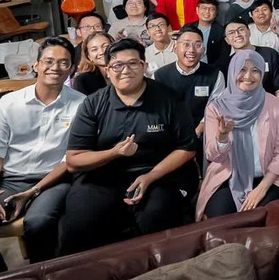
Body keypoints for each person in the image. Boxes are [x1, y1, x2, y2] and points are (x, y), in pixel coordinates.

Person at [0, 37, 84, 278]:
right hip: (9, 180)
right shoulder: (10, 103)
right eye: (49, 61)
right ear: (36, 65)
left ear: (71, 68)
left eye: (64, 63)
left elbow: (69, 159)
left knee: (39, 223)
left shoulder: (81, 104)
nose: (56, 67)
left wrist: (34, 191)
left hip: (53, 181)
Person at [58, 38, 197, 256]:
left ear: (144, 66)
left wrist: (150, 176)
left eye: (133, 63)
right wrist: (114, 153)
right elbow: (74, 160)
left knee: (156, 217)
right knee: (79, 223)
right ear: (107, 71)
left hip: (159, 175)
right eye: (117, 65)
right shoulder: (93, 103)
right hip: (103, 178)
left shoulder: (168, 98)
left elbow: (187, 147)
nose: (125, 70)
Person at [197, 50, 279, 219]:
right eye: (242, 69)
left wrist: (261, 189)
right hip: (228, 177)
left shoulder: (274, 105)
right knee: (219, 219)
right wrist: (222, 136)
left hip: (270, 177)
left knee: (265, 217)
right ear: (233, 71)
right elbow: (213, 155)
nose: (248, 76)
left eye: (255, 70)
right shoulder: (216, 107)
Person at [154, 25, 225, 173]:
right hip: (170, 134)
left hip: (203, 131)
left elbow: (216, 108)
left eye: (197, 45)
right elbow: (157, 110)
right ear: (175, 47)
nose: (191, 50)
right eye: (186, 44)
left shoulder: (215, 75)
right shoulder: (160, 75)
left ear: (203, 50)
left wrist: (196, 132)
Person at [214, 20, 279, 105]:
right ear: (227, 40)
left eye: (241, 30)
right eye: (231, 33)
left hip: (270, 109)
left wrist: (277, 111)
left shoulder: (269, 54)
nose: (237, 34)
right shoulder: (226, 64)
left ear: (249, 32)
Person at [144, 12, 177, 76]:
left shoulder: (181, 47)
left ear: (169, 28)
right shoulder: (145, 54)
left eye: (161, 25)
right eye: (152, 26)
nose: (157, 29)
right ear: (148, 32)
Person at [195, 0, 225, 64]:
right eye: (204, 8)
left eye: (211, 9)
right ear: (197, 10)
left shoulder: (221, 31)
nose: (207, 12)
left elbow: (223, 56)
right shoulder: (188, 28)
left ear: (216, 13)